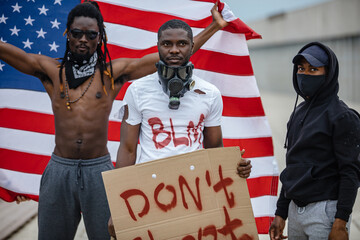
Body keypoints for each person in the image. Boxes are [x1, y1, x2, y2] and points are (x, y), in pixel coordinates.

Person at [0, 1, 230, 239]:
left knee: (107, 235)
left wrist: (214, 26)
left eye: (91, 35)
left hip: (98, 169)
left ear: (100, 37)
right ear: (67, 34)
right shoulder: (50, 70)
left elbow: (170, 54)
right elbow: (8, 52)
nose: (83, 39)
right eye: (77, 33)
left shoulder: (112, 73)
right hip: (60, 168)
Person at [108, 18, 252, 238]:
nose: (174, 50)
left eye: (182, 44)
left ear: (192, 46)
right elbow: (127, 150)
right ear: (158, 46)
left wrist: (234, 167)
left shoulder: (210, 93)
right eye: (167, 44)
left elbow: (214, 149)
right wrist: (118, 208)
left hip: (194, 194)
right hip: (149, 193)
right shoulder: (137, 91)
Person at [269, 42, 360, 240]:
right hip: (295, 211)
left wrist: (340, 222)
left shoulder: (343, 117)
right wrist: (281, 212)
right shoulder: (297, 113)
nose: (305, 74)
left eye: (313, 69)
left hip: (325, 212)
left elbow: (350, 172)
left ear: (328, 73)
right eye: (301, 69)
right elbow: (293, 166)